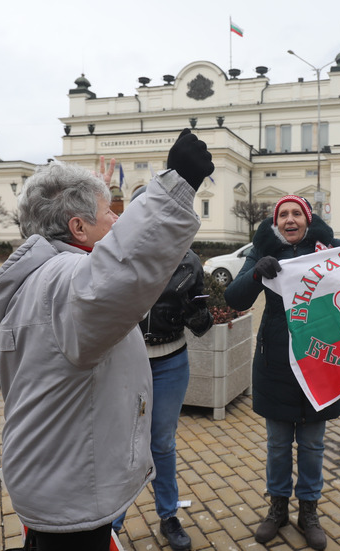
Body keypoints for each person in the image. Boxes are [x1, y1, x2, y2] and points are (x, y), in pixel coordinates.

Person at [0, 129, 214, 551]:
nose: (119, 221)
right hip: (70, 493)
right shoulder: (61, 280)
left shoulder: (45, 276)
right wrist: (175, 186)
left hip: (56, 480)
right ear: (78, 226)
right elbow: (118, 272)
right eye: (109, 214)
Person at [223, 195, 340, 550]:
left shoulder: (329, 250)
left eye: (297, 213)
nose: (290, 219)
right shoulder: (263, 251)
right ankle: (277, 507)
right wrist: (256, 272)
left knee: (312, 445)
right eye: (283, 214)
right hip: (276, 361)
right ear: (275, 222)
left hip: (320, 359)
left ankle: (308, 511)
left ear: (308, 220)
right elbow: (235, 298)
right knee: (278, 445)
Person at [111, 186, 214, 550]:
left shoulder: (187, 259)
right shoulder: (117, 254)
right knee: (125, 442)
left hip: (171, 362)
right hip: (126, 363)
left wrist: (200, 308)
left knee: (161, 443)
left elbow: (201, 325)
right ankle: (113, 520)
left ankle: (168, 516)